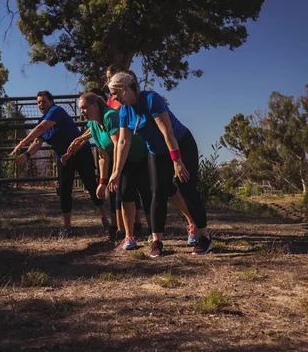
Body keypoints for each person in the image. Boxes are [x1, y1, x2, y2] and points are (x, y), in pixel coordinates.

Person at [107, 72, 212, 258]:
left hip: (181, 145)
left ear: (124, 89)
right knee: (157, 193)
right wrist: (116, 172)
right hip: (156, 151)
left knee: (187, 190)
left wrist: (177, 161)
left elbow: (167, 131)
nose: (112, 98)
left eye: (114, 93)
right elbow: (123, 143)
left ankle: (204, 237)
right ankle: (157, 241)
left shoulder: (151, 99)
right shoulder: (124, 111)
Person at [11, 90, 109, 235]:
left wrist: (23, 142)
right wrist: (27, 154)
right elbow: (38, 141)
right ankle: (67, 225)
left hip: (81, 152)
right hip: (63, 157)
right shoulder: (41, 122)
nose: (41, 105)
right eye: (38, 102)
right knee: (64, 190)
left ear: (51, 102)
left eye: (44, 101)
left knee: (90, 184)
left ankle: (104, 218)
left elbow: (42, 128)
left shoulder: (56, 111)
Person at [73, 92, 152, 249]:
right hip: (124, 161)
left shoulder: (110, 116)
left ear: (95, 105)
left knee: (146, 192)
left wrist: (115, 172)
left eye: (84, 107)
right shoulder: (94, 125)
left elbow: (118, 145)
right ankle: (129, 237)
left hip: (140, 156)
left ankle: (153, 231)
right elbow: (103, 156)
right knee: (125, 194)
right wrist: (102, 182)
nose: (82, 111)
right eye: (80, 109)